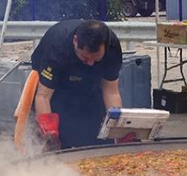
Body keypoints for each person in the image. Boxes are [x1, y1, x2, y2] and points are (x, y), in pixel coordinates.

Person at [30, 20, 124, 149]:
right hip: (57, 90)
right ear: (75, 41)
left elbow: (111, 90)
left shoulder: (112, 46)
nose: (91, 63)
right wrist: (49, 134)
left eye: (96, 59)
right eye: (85, 58)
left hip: (91, 87)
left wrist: (118, 127)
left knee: (98, 140)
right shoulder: (56, 47)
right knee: (58, 143)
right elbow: (43, 97)